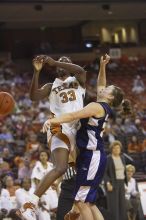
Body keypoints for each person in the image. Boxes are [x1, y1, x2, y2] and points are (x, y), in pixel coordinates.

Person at [41, 63, 131, 219]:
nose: (103, 87)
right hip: (93, 156)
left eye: (107, 89)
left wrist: (53, 121)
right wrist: (102, 66)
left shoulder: (96, 106)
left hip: (91, 157)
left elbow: (72, 116)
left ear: (109, 97)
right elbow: (101, 83)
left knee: (81, 203)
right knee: (89, 203)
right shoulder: (103, 106)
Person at [16, 54, 86, 220]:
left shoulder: (79, 79)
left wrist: (54, 62)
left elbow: (80, 70)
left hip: (77, 129)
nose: (62, 65)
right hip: (58, 125)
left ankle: (76, 207)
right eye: (60, 63)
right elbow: (33, 96)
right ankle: (30, 204)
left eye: (65, 62)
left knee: (82, 171)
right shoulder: (51, 85)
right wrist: (36, 72)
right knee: (61, 167)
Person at [104, 140, 127, 220]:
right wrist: (107, 183)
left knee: (122, 205)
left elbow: (124, 172)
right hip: (112, 184)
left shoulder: (122, 157)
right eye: (115, 148)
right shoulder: (108, 158)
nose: (117, 149)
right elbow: (104, 172)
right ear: (111, 149)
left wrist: (125, 184)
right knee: (114, 206)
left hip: (121, 183)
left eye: (118, 148)